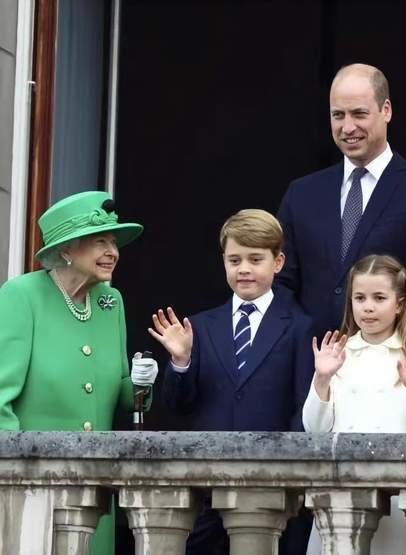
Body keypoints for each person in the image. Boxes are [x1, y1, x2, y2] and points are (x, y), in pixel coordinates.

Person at [0, 190, 157, 555]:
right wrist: (15, 478)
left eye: (114, 242)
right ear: (67, 250)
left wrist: (142, 383)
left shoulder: (109, 301)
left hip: (94, 490)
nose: (112, 252)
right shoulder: (22, 296)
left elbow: (122, 394)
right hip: (34, 488)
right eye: (100, 241)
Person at [152, 209, 315, 555]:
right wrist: (180, 361)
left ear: (278, 262)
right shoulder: (200, 325)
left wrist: (289, 474)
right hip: (207, 485)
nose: (244, 269)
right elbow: (178, 406)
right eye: (234, 259)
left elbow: (304, 406)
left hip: (272, 485)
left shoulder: (299, 326)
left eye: (256, 259)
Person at [277, 63, 406, 340]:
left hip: (388, 362)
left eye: (359, 113)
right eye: (338, 115)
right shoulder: (301, 193)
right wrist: (304, 336)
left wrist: (367, 340)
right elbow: (282, 279)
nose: (348, 127)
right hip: (312, 359)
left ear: (386, 110)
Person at [303, 254, 406, 554]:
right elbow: (314, 429)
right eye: (360, 297)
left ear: (399, 303)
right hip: (342, 490)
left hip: (397, 496)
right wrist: (322, 379)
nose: (368, 306)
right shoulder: (337, 353)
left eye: (379, 297)